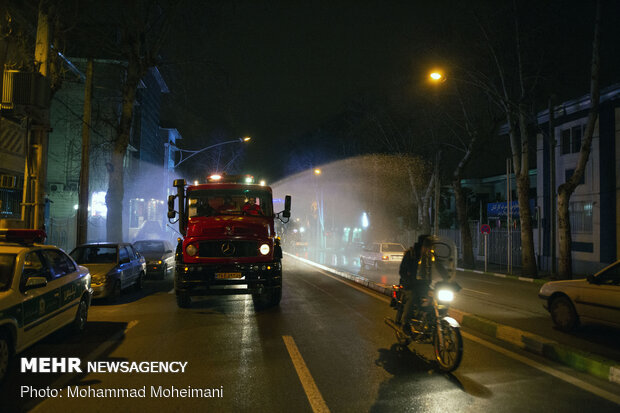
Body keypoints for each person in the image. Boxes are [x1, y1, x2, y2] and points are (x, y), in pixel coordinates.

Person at [395, 234, 432, 334]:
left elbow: (440, 268)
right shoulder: (410, 254)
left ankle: (430, 323)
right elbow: (402, 271)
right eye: (427, 247)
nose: (429, 249)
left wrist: (448, 279)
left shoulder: (429, 256)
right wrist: (409, 281)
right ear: (422, 245)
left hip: (423, 285)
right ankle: (405, 323)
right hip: (409, 285)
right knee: (412, 297)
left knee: (434, 299)